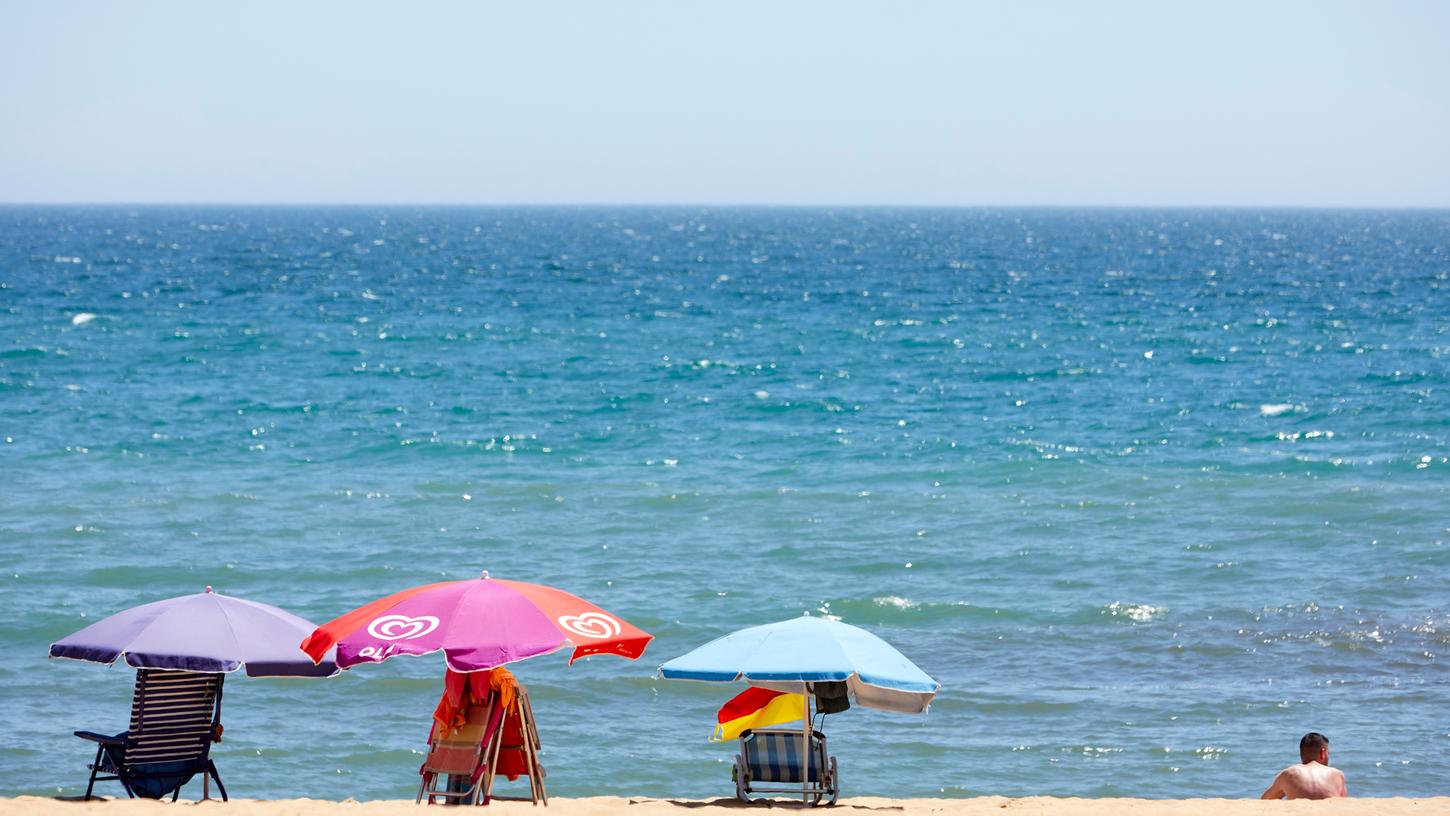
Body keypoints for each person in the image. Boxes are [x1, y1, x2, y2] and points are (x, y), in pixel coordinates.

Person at [1261, 732, 1347, 799]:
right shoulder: (1337, 774)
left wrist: (1287, 789)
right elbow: (1341, 804)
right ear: (1323, 753)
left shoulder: (1289, 773)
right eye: (1328, 753)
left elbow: (1265, 800)